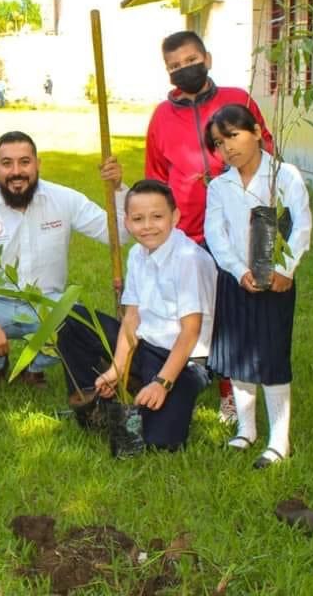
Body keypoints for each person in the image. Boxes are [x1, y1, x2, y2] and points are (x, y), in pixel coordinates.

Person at [145, 30, 274, 424]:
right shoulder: (161, 117)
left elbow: (265, 149)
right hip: (191, 233)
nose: (185, 69)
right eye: (175, 66)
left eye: (190, 60)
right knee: (200, 311)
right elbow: (156, 173)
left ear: (208, 58)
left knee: (244, 312)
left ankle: (237, 392)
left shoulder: (238, 99)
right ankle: (194, 376)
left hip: (244, 226)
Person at [0, 131, 127, 388]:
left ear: (38, 163)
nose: (16, 171)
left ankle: (35, 367)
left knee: (80, 326)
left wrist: (118, 188)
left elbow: (118, 234)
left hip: (45, 302)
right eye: (7, 163)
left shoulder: (63, 199)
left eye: (25, 162)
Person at [58, 180, 216, 450]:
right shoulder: (136, 254)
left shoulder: (189, 258)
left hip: (185, 359)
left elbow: (190, 331)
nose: (147, 226)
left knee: (159, 443)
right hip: (146, 346)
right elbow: (132, 318)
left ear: (175, 217)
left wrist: (162, 384)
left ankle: (154, 389)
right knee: (70, 318)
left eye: (157, 217)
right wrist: (117, 369)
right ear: (127, 223)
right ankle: (96, 402)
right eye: (138, 219)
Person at [204, 104, 311, 468]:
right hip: (236, 281)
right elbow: (215, 235)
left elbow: (302, 226)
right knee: (238, 356)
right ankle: (246, 430)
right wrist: (236, 270)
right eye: (219, 143)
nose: (227, 148)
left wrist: (286, 268)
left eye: (233, 136)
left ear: (256, 131)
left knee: (271, 354)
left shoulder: (284, 175)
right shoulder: (220, 185)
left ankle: (279, 439)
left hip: (274, 280)